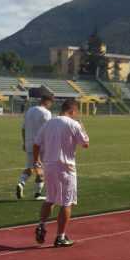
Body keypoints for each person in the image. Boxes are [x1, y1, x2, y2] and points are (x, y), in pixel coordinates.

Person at [33, 98, 89, 247]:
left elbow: (36, 143)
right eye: (76, 112)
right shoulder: (73, 124)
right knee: (67, 202)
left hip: (49, 165)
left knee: (50, 198)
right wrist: (82, 127)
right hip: (66, 167)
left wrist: (36, 161)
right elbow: (85, 144)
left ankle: (41, 225)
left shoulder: (48, 123)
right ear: (72, 110)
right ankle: (60, 236)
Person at [16, 93, 54, 201]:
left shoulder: (29, 111)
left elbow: (23, 128)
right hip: (40, 145)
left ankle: (21, 183)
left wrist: (24, 142)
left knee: (30, 167)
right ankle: (37, 194)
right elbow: (49, 130)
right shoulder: (46, 113)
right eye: (51, 103)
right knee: (41, 168)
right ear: (47, 101)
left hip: (29, 143)